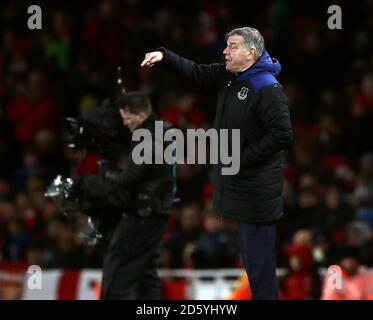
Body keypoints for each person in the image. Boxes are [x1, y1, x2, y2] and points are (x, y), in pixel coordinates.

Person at [141, 27, 293, 299]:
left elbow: (282, 134)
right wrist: (165, 57)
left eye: (232, 46)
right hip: (240, 188)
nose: (225, 51)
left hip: (256, 192)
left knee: (260, 269)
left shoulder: (267, 88)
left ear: (251, 53)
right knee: (253, 266)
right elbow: (197, 73)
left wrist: (241, 158)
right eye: (226, 45)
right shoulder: (230, 77)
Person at [76, 91, 175, 299]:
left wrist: (104, 169)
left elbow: (129, 179)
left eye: (126, 116)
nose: (124, 122)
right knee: (145, 273)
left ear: (138, 115)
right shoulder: (159, 130)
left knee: (118, 267)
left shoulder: (148, 138)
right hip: (155, 212)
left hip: (143, 214)